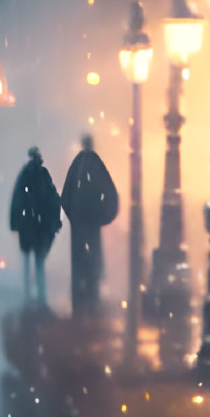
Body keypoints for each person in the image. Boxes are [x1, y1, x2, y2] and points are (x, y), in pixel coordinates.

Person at [60, 134, 120, 316]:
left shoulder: (77, 165)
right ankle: (92, 299)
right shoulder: (96, 165)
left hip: (80, 223)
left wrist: (74, 215)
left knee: (79, 262)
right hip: (92, 222)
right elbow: (110, 192)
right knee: (92, 260)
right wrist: (103, 215)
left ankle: (79, 301)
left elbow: (65, 196)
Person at [9, 146, 62, 305]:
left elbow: (17, 199)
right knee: (39, 261)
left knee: (27, 259)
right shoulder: (43, 175)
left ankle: (27, 293)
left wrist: (16, 222)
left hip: (27, 225)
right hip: (41, 225)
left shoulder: (24, 175)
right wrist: (53, 220)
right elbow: (52, 198)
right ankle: (41, 294)